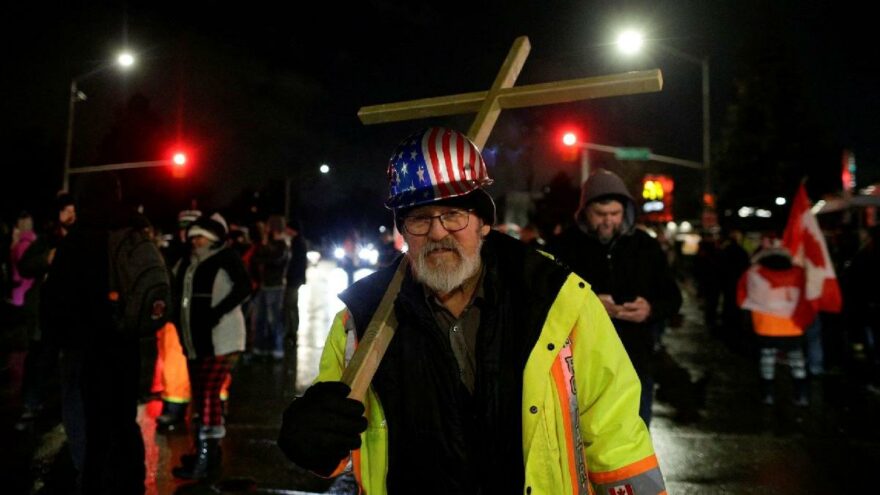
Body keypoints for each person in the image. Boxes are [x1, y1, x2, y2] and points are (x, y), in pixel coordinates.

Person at [277, 127, 665, 494]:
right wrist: (312, 435)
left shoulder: (558, 301)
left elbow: (617, 440)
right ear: (403, 230)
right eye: (419, 218)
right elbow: (336, 444)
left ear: (482, 222)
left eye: (453, 214)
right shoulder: (361, 320)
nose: (438, 232)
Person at [549, 169, 684, 426]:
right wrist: (587, 305)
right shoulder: (562, 247)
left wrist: (650, 310)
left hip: (634, 365)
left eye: (614, 214)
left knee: (634, 447)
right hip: (580, 370)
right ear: (585, 211)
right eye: (600, 214)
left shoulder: (646, 246)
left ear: (626, 212)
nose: (608, 221)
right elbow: (543, 299)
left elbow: (673, 298)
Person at [42, 173, 146, 493]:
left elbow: (55, 296)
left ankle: (93, 481)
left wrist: (53, 340)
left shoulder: (79, 239)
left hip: (85, 344)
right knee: (124, 420)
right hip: (126, 342)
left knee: (94, 421)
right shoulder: (133, 234)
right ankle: (131, 483)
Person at [170, 212, 251, 479]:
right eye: (193, 237)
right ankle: (205, 453)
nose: (196, 242)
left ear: (213, 237)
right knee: (201, 396)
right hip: (195, 341)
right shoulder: (185, 263)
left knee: (208, 395)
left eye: (201, 237)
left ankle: (206, 456)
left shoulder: (226, 258)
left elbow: (243, 287)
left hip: (222, 339)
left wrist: (215, 313)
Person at [15, 194, 76, 428]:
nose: (70, 215)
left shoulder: (84, 240)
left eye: (73, 210)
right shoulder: (47, 241)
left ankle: (67, 412)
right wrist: (46, 259)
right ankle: (31, 405)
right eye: (65, 210)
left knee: (71, 365)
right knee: (39, 359)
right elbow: (25, 266)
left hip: (72, 314)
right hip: (46, 313)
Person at [737, 244, 813, 406]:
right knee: (797, 361)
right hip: (794, 326)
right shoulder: (799, 273)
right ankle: (801, 395)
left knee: (767, 360)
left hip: (766, 326)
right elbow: (809, 296)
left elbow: (741, 298)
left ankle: (768, 395)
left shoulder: (753, 273)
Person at [250, 214, 291, 360]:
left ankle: (277, 349)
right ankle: (261, 348)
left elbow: (274, 261)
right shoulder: (270, 244)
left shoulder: (282, 245)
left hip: (275, 286)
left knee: (274, 319)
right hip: (265, 285)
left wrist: (264, 250)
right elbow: (256, 259)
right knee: (261, 319)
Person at [283, 218, 307, 348]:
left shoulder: (297, 243)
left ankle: (291, 333)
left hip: (293, 280)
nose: (286, 230)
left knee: (290, 306)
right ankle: (292, 332)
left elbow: (295, 264)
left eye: (287, 228)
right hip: (295, 280)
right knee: (292, 306)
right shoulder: (298, 242)